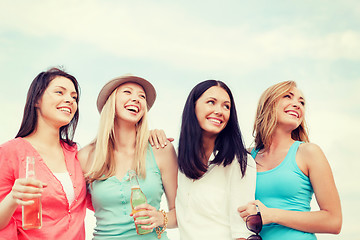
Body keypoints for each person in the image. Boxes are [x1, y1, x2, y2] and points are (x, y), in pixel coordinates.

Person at [237, 81, 342, 239]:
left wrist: (272, 215)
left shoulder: (309, 152)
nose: (298, 105)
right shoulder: (245, 157)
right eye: (288, 96)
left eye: (302, 102)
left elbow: (334, 221)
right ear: (268, 104)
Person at [77, 75, 178, 240]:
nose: (136, 99)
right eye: (127, 92)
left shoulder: (161, 149)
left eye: (142, 96)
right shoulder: (86, 156)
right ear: (111, 102)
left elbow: (182, 212)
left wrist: (161, 218)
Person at [0, 68, 87, 239]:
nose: (69, 100)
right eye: (59, 92)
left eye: (74, 97)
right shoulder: (9, 152)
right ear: (37, 100)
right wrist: (13, 198)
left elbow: (105, 197)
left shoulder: (76, 154)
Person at [173, 80, 256, 240]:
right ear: (193, 106)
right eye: (211, 102)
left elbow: (242, 232)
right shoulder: (178, 158)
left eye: (226, 106)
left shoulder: (240, 162)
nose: (220, 111)